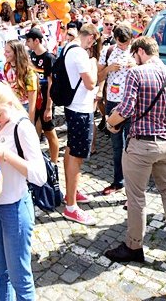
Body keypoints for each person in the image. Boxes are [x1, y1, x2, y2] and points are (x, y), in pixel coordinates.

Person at [103, 36, 166, 268]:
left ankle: (133, 245)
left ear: (140, 52)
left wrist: (110, 122)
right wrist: (161, 121)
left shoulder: (137, 73)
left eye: (134, 56)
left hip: (141, 144)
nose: (134, 60)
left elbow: (126, 108)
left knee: (136, 198)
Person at [0, 81, 47, 301]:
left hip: (15, 208)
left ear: (10, 102)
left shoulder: (22, 126)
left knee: (20, 279)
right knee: (1, 274)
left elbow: (39, 175)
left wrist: (6, 155)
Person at [60, 23, 99, 225]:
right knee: (76, 155)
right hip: (81, 108)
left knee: (70, 150)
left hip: (73, 105)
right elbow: (91, 83)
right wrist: (93, 63)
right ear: (91, 37)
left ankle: (71, 193)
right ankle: (71, 206)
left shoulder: (68, 46)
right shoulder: (81, 54)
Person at [97, 24, 136, 195]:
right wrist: (108, 69)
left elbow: (146, 72)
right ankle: (118, 181)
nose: (123, 47)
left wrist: (135, 66)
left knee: (131, 145)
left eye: (126, 44)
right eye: (121, 44)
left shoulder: (136, 52)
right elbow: (98, 76)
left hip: (131, 101)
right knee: (116, 144)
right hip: (112, 102)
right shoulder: (108, 50)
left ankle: (131, 185)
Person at [24, 28, 60, 164]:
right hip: (35, 99)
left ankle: (54, 162)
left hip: (46, 100)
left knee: (49, 131)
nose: (26, 43)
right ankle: (36, 159)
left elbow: (52, 83)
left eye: (28, 40)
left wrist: (49, 107)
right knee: (35, 129)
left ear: (36, 41)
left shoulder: (49, 58)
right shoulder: (31, 55)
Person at [2, 39, 37, 114]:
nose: (4, 54)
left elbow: (32, 102)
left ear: (17, 53)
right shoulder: (7, 66)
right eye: (5, 51)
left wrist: (31, 121)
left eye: (8, 52)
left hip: (24, 107)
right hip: (11, 105)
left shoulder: (28, 72)